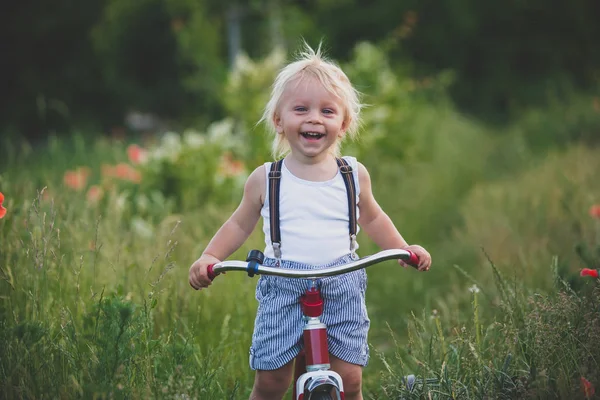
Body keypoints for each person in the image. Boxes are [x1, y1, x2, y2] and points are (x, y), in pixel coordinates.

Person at [189, 43, 432, 400]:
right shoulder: (266, 178)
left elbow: (373, 216)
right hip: (283, 282)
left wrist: (401, 249)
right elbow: (239, 224)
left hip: (342, 282)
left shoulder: (352, 174)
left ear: (343, 123)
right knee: (272, 381)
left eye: (327, 111)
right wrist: (210, 257)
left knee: (348, 379)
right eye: (300, 109)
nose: (314, 118)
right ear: (279, 121)